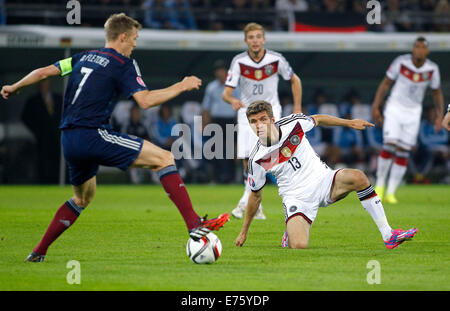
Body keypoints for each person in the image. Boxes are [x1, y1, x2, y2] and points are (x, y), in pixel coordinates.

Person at [1, 13, 229, 263]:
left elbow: (45, 72)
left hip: (68, 139)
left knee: (82, 197)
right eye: (134, 38)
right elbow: (145, 101)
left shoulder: (83, 57)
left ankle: (38, 252)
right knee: (164, 158)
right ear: (123, 37)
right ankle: (194, 224)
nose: (135, 44)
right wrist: (181, 86)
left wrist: (15, 86)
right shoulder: (123, 63)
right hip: (92, 135)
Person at [234, 101, 418, 250]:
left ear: (272, 119)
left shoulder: (293, 123)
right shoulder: (256, 158)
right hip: (297, 198)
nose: (259, 125)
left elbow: (319, 119)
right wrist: (244, 231)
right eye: (253, 121)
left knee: (359, 177)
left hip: (324, 180)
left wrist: (349, 122)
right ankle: (290, 232)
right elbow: (255, 196)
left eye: (262, 119)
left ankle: (388, 234)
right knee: (299, 246)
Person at [222, 22, 302, 220]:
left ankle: (246, 201)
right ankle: (254, 205)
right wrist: (232, 100)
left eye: (258, 37)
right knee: (246, 157)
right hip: (247, 112)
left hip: (270, 112)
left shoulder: (276, 59)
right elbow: (226, 93)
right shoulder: (239, 61)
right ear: (246, 40)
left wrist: (298, 108)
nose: (255, 41)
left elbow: (294, 79)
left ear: (264, 39)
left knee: (265, 156)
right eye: (251, 37)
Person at [371, 36, 444, 204]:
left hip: (413, 112)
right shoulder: (401, 62)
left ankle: (391, 192)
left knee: (403, 150)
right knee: (389, 144)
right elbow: (385, 84)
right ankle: (380, 185)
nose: (419, 50)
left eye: (422, 47)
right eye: (416, 47)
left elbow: (436, 92)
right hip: (395, 107)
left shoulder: (432, 69)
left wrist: (439, 115)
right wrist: (376, 106)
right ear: (413, 49)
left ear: (427, 51)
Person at [201, 59, 239, 184]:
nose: (220, 73)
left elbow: (240, 108)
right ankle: (216, 178)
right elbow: (206, 108)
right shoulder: (211, 87)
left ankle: (231, 178)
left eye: (222, 70)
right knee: (216, 150)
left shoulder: (234, 87)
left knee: (231, 150)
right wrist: (204, 125)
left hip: (230, 121)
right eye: (218, 70)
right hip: (216, 121)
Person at [21, 80, 62, 184]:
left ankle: (58, 181)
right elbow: (25, 117)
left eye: (46, 84)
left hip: (58, 136)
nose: (44, 86)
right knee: (43, 160)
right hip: (42, 137)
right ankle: (44, 181)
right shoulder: (33, 101)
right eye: (42, 84)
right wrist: (37, 130)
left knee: (58, 160)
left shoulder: (59, 98)